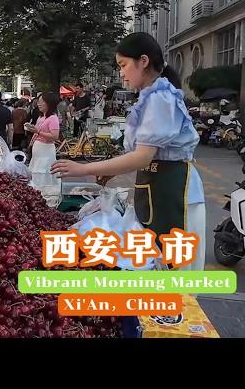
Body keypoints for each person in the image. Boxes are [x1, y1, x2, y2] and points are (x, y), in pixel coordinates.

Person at [52, 32, 205, 271]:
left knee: (172, 267)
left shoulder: (161, 98)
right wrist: (111, 171)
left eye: (123, 65)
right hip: (156, 189)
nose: (121, 73)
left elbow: (143, 156)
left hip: (175, 194)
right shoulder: (150, 98)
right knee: (155, 261)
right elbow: (143, 155)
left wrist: (83, 168)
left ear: (143, 61)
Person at [27, 92, 61, 173]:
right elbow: (37, 131)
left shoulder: (53, 118)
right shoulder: (41, 117)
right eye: (39, 101)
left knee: (44, 172)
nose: (39, 104)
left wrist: (38, 132)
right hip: (38, 150)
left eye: (42, 102)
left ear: (49, 103)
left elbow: (55, 136)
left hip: (46, 150)